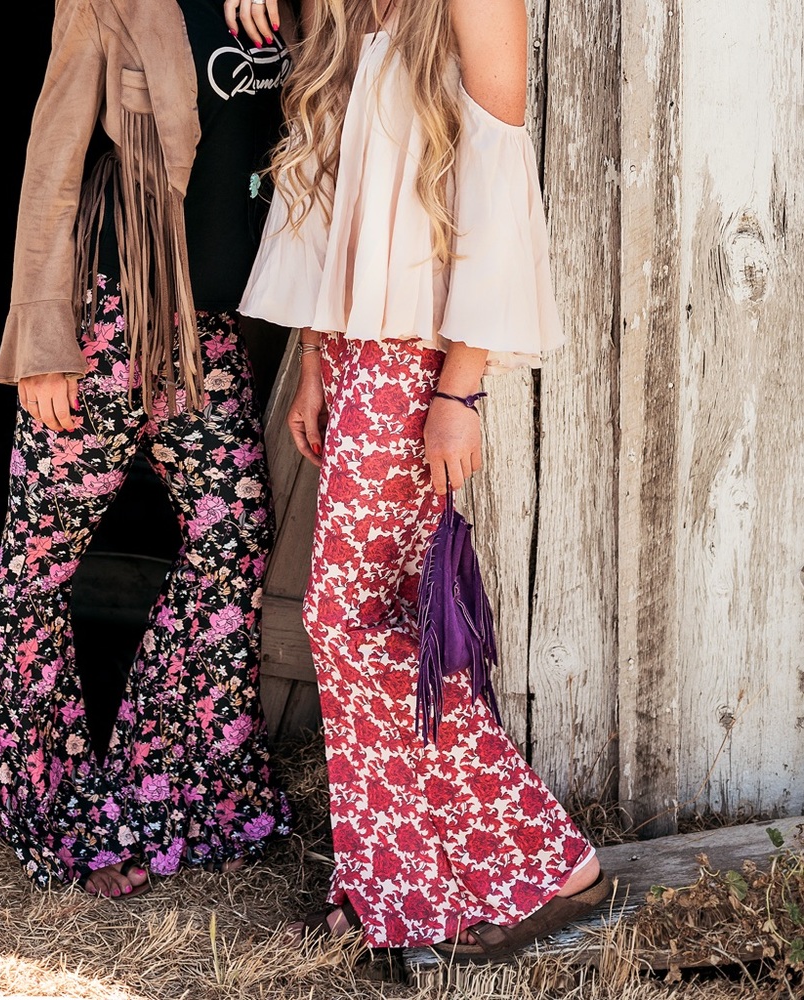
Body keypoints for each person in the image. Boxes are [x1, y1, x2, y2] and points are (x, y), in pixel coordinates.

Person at [240, 0, 609, 963]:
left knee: (343, 620)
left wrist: (464, 387)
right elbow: (319, 171)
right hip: (356, 350)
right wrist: (317, 358)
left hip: (418, 358)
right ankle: (392, 884)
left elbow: (495, 175)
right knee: (383, 620)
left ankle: (545, 858)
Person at [0, 0, 297, 899]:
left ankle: (170, 791)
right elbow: (52, 161)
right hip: (109, 313)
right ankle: (57, 808)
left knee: (232, 542)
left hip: (204, 328)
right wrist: (42, 342)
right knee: (38, 564)